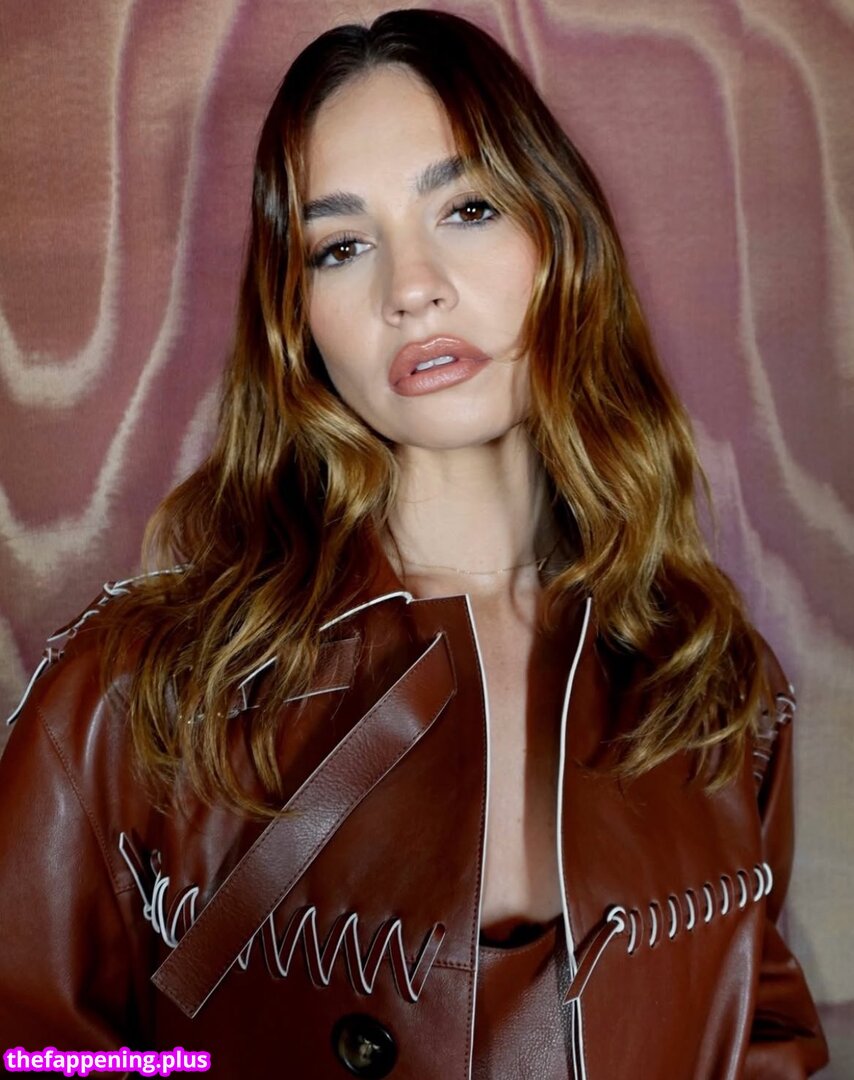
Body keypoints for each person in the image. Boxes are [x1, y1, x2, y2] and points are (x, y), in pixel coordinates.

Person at [0, 8, 829, 1079]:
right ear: (296, 317)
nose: (411, 288)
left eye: (467, 208)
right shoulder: (134, 690)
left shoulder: (713, 684)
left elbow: (764, 1038)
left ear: (558, 237)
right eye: (341, 246)